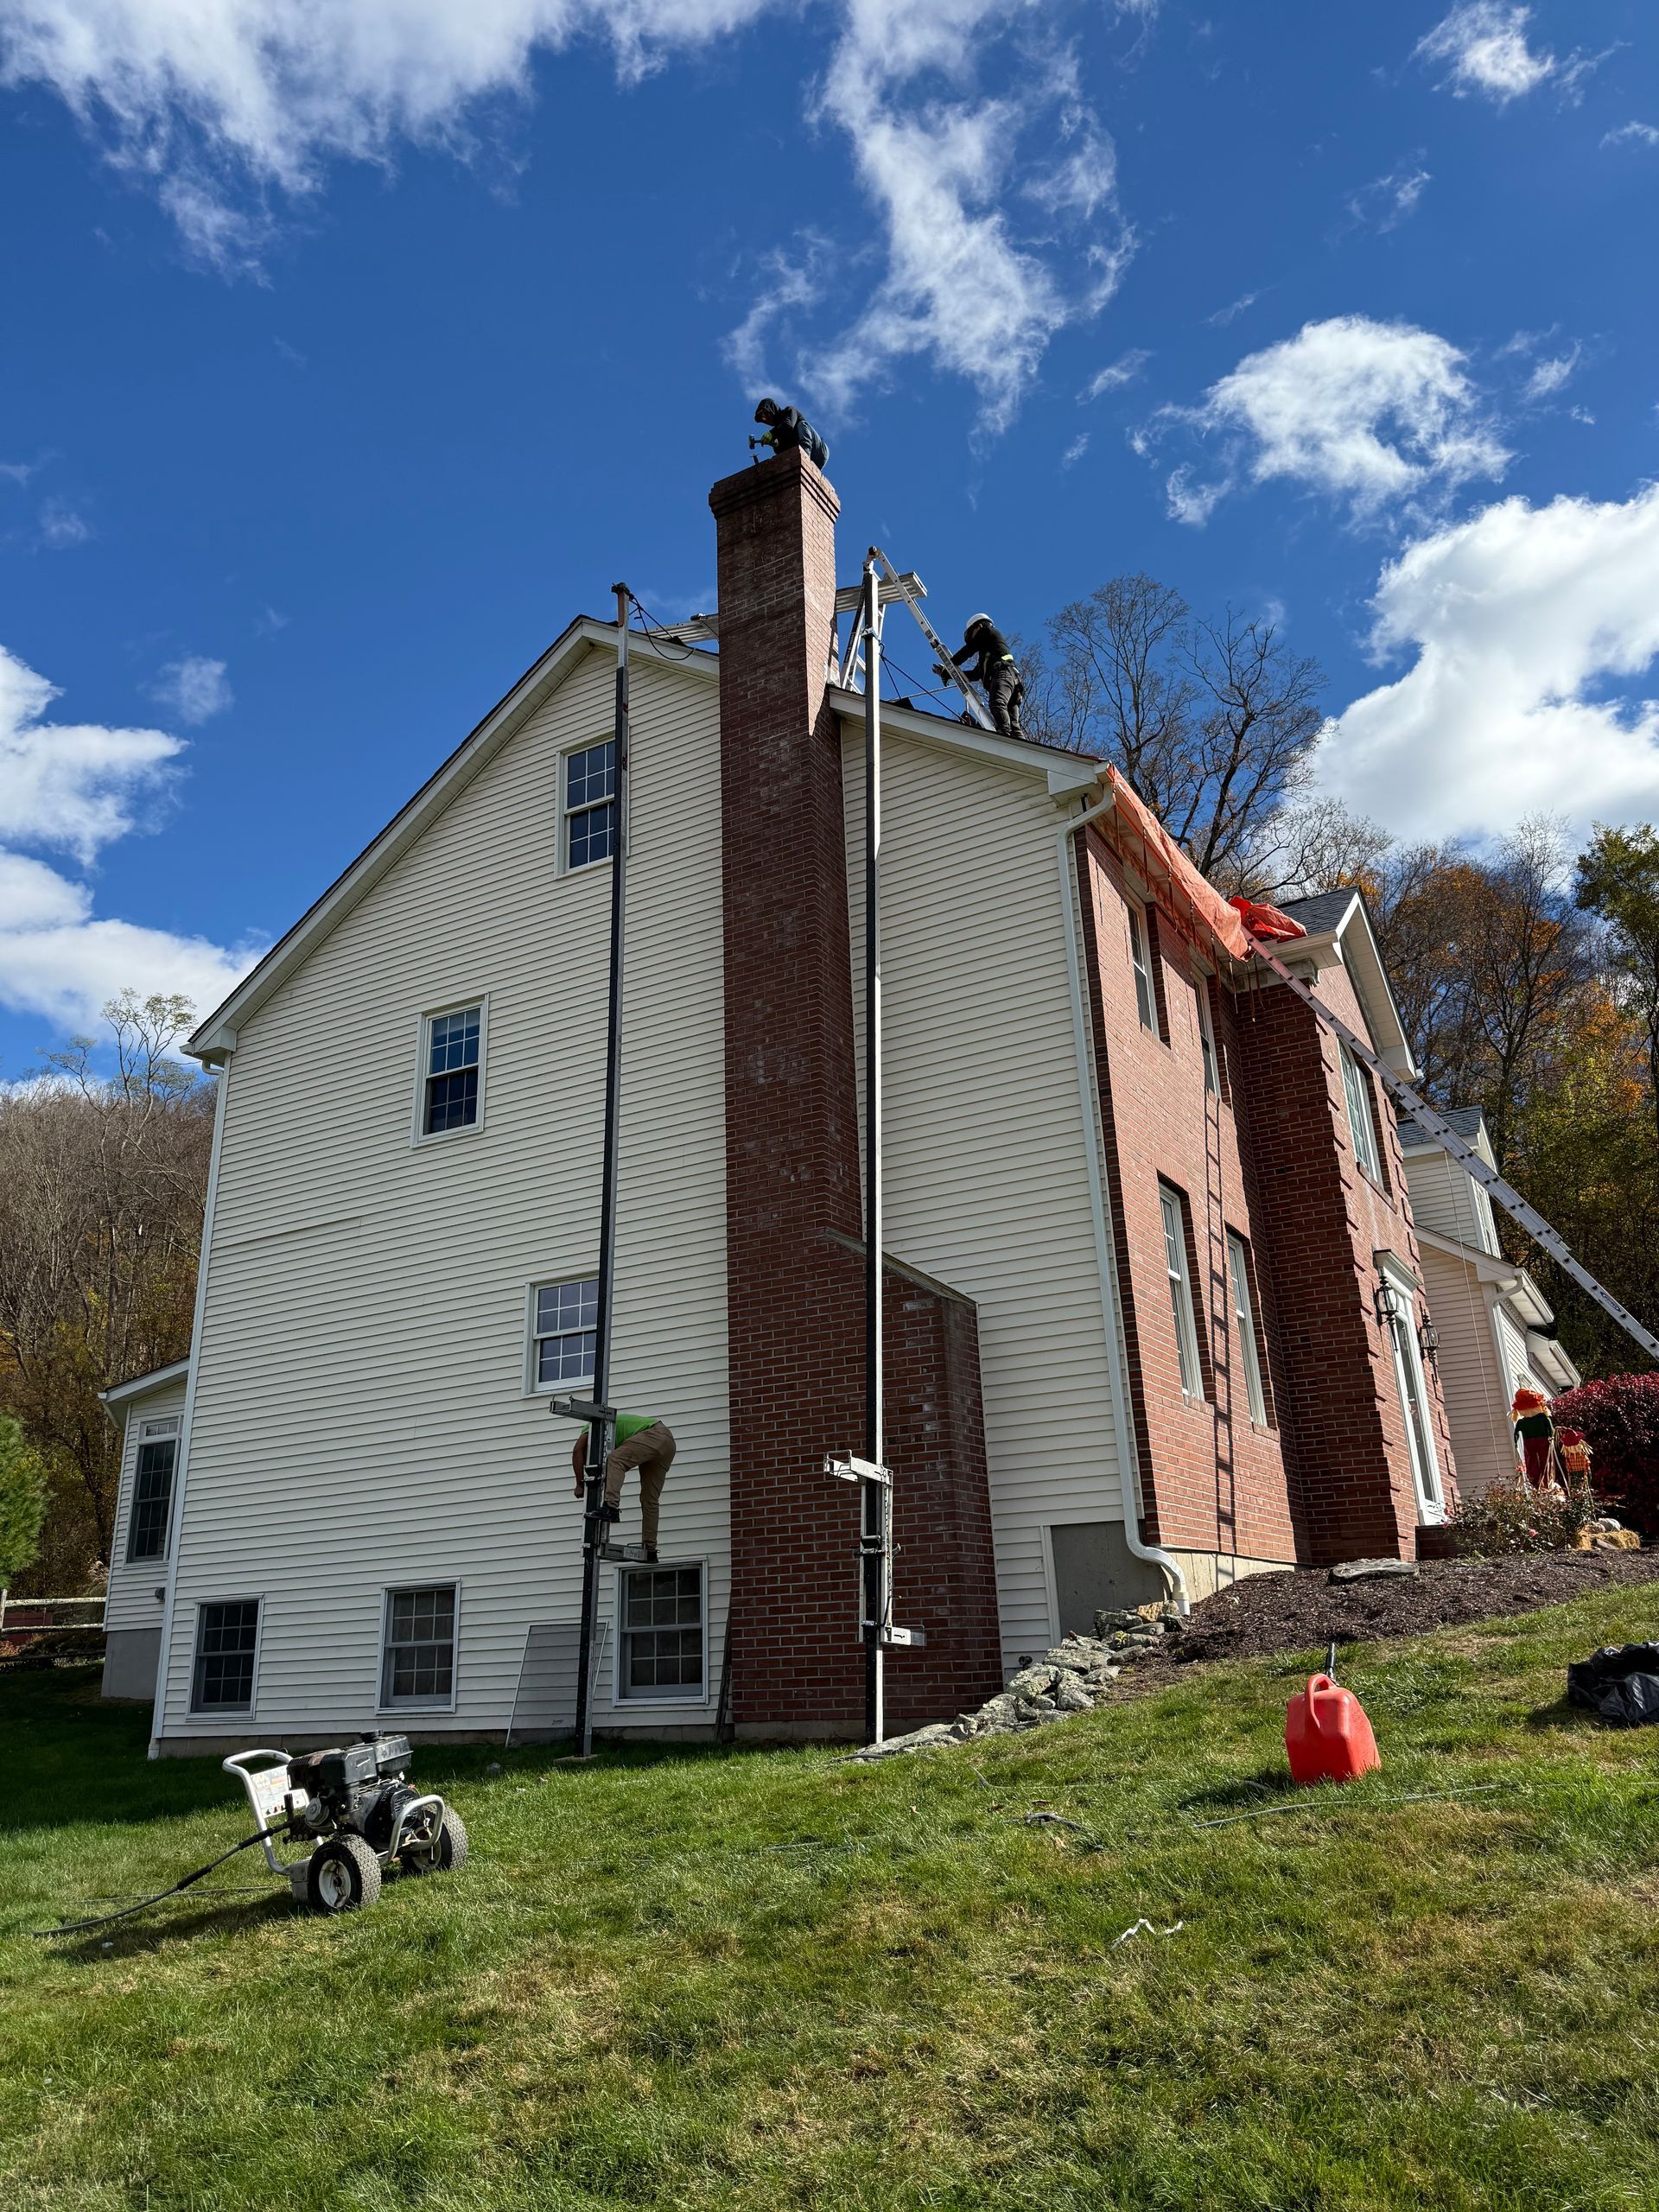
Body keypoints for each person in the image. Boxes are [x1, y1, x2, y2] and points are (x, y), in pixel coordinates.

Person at [572, 1414, 677, 1562]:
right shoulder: (608, 1433)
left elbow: (577, 1450)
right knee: (650, 1499)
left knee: (615, 1459)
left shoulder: (591, 1427)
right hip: (668, 1443)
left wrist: (579, 1484)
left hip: (654, 1434)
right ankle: (650, 1549)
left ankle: (611, 1507)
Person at [946, 613, 1026, 738]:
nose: (973, 638)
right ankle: (1021, 746)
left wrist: (950, 663)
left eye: (972, 634)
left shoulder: (987, 631)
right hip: (1013, 682)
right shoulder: (989, 653)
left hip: (1003, 675)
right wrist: (950, 675)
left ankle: (1005, 737)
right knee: (1014, 724)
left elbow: (969, 649)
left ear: (978, 626)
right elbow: (974, 675)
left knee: (997, 704)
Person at [751, 397, 830, 470]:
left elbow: (788, 425)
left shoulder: (789, 410)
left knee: (802, 424)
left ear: (772, 409)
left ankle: (804, 455)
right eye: (763, 419)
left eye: (765, 415)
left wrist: (772, 433)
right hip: (814, 461)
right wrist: (775, 444)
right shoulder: (778, 432)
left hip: (819, 451)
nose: (766, 420)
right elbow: (781, 452)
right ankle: (801, 462)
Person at [1511, 1387, 1555, 1491]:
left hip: (1533, 1443)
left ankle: (1541, 1483)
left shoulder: (1525, 1422)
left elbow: (1516, 1434)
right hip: (1539, 1442)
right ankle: (1540, 1483)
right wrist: (1551, 1437)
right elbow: (1551, 1430)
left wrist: (1516, 1443)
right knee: (1539, 1462)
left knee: (1536, 1462)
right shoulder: (1542, 1419)